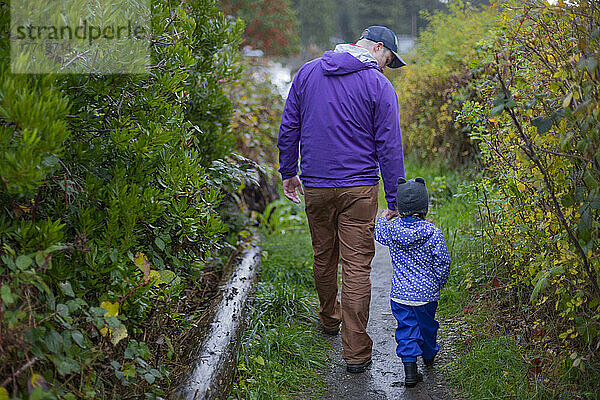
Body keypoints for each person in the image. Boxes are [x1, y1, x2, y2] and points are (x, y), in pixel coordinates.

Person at [277, 25, 406, 373]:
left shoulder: (307, 73)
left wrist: (289, 172)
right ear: (378, 48)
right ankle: (356, 352)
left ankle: (329, 319)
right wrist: (394, 199)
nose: (385, 68)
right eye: (388, 60)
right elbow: (390, 145)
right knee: (357, 267)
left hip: (316, 185)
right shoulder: (378, 84)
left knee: (324, 254)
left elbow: (290, 126)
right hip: (360, 189)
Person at [374, 177, 451, 387]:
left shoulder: (391, 229)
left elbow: (378, 233)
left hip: (400, 296)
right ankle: (428, 356)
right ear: (424, 206)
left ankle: (410, 371)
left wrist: (383, 216)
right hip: (427, 295)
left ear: (399, 207)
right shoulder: (433, 232)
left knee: (406, 330)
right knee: (427, 327)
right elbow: (443, 262)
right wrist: (439, 283)